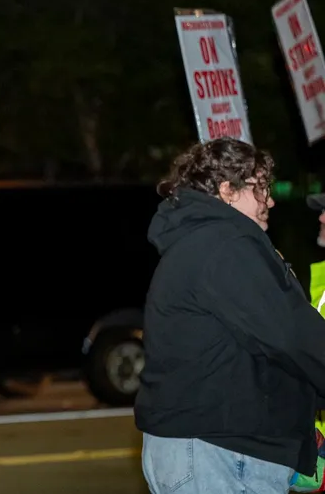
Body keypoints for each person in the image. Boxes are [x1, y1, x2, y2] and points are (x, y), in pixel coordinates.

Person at [136, 137, 325, 493]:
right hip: (221, 452)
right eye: (260, 188)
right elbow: (290, 335)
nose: (269, 200)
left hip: (202, 446)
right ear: (228, 190)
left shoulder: (201, 242)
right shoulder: (225, 243)